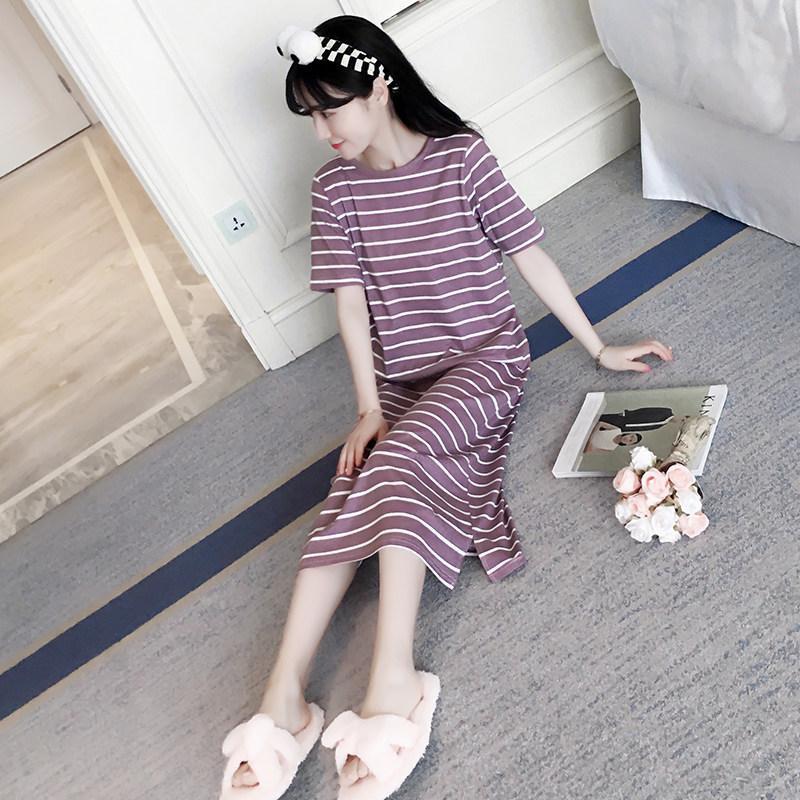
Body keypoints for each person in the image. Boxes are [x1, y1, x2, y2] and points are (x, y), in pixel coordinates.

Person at [219, 15, 674, 800]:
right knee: (352, 482)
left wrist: (597, 347)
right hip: (402, 381)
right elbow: (352, 306)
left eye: (332, 109)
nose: (323, 131)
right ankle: (283, 700)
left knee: (397, 459)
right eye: (311, 117)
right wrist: (368, 406)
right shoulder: (334, 190)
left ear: (379, 87)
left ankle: (394, 679)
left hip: (485, 363)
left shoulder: (462, 157)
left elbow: (528, 252)